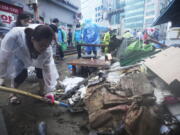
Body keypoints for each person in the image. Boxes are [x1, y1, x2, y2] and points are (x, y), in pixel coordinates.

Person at [0, 24, 59, 104]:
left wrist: (49, 91)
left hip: (35, 53)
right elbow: (4, 58)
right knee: (21, 73)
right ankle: (12, 94)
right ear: (32, 39)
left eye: (47, 45)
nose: (44, 48)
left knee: (41, 72)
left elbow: (48, 71)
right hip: (18, 52)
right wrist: (1, 76)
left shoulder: (46, 50)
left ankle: (43, 91)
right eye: (42, 45)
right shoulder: (14, 37)